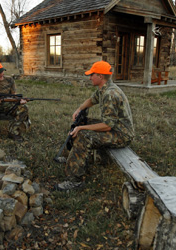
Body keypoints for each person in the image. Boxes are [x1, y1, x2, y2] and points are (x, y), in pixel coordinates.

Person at [55, 60, 134, 191]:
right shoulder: (103, 89)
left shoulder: (110, 94)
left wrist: (82, 128)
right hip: (114, 128)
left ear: (100, 76)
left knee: (83, 135)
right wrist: (79, 109)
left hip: (122, 135)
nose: (90, 77)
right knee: (81, 122)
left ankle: (75, 181)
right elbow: (91, 100)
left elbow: (107, 126)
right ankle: (70, 157)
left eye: (92, 75)